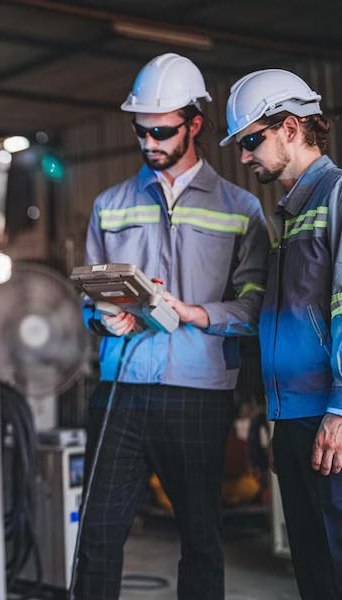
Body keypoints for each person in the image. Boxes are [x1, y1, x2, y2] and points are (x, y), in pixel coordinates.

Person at [76, 53, 270, 600]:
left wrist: (196, 314)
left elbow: (255, 307)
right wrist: (103, 319)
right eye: (141, 131)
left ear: (195, 124)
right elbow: (90, 301)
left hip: (198, 391)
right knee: (98, 536)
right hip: (120, 389)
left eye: (162, 131)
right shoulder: (109, 206)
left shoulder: (242, 209)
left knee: (202, 540)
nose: (149, 143)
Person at [221, 68, 342, 599]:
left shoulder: (336, 197)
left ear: (291, 127)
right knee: (314, 574)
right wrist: (280, 421)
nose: (244, 157)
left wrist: (340, 409)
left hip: (330, 420)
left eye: (251, 142)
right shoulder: (290, 215)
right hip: (296, 420)